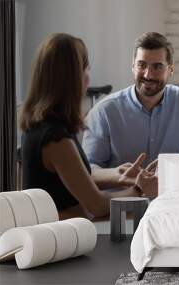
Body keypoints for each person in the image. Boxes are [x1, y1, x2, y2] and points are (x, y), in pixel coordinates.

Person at [20, 33, 156, 220]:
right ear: (72, 79)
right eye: (86, 70)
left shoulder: (41, 127)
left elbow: (77, 180)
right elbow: (96, 205)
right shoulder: (55, 139)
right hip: (66, 241)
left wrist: (118, 175)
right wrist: (139, 189)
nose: (88, 79)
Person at [82, 32, 179, 181]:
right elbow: (88, 169)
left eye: (157, 67)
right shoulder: (105, 111)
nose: (148, 75)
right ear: (133, 67)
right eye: (141, 65)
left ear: (170, 70)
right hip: (121, 200)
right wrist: (120, 175)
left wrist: (176, 165)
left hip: (169, 198)